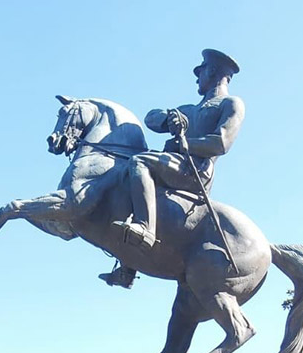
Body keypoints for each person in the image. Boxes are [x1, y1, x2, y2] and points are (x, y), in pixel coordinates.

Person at [103, 48, 244, 286]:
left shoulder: (231, 104)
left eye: (200, 72)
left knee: (140, 162)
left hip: (195, 170)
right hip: (176, 165)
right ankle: (127, 266)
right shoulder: (189, 110)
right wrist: (168, 118)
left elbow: (221, 142)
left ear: (211, 71)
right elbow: (150, 119)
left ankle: (145, 229)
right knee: (127, 178)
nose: (197, 78)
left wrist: (183, 143)